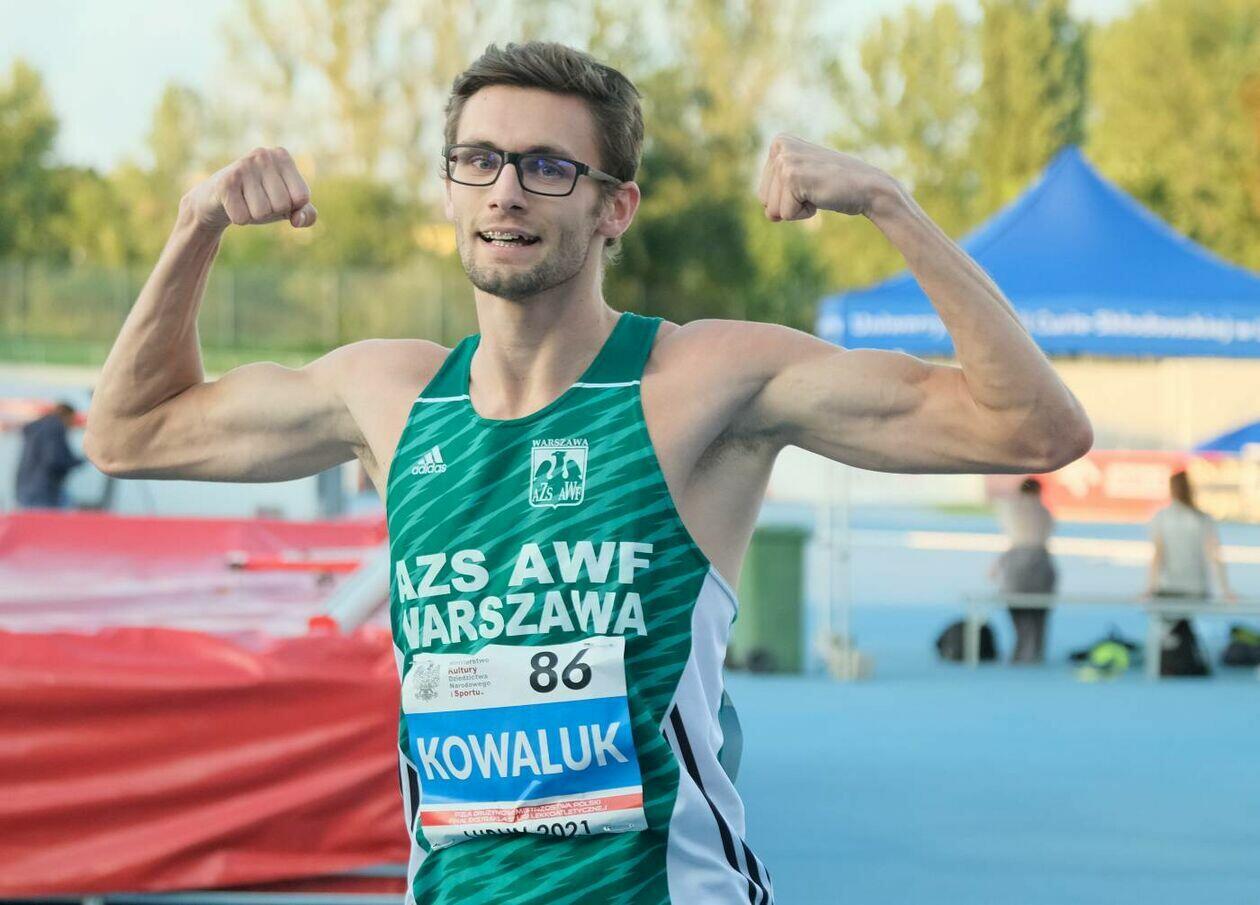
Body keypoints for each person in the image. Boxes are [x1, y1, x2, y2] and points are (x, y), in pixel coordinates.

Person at [83, 41, 1092, 905]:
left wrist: (888, 204)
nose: (506, 190)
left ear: (616, 208)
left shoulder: (703, 384)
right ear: (450, 189)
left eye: (547, 167)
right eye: (479, 160)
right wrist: (196, 223)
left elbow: (1034, 427)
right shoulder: (388, 396)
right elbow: (130, 434)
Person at [1144, 470, 1234, 676]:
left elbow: (1158, 556)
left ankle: (1168, 659)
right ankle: (1185, 654)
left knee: (1164, 621)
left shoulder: (1162, 517)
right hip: (1197, 588)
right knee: (1179, 622)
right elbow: (1215, 556)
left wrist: (1150, 588)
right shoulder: (1202, 519)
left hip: (1168, 589)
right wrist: (1225, 590)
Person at [991, 477, 1057, 663]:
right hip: (1041, 560)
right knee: (1040, 611)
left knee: (1017, 607)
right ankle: (1036, 651)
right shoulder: (1045, 511)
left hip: (1019, 561)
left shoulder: (1012, 508)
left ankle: (1022, 649)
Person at [14, 401, 84, 509]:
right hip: (44, 490)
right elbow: (54, 458)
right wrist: (77, 462)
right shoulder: (55, 428)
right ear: (67, 416)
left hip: (25, 488)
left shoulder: (36, 429)